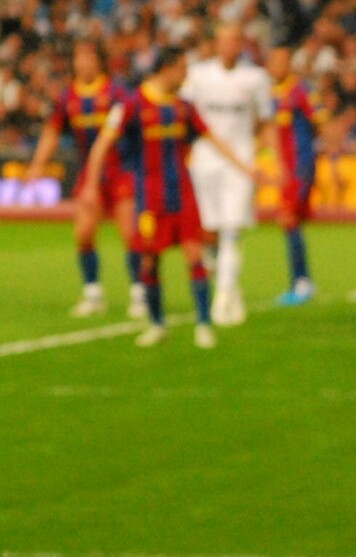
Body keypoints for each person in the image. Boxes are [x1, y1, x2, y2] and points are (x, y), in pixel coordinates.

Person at [81, 47, 261, 349]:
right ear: (167, 68)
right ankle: (157, 324)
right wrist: (90, 184)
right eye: (182, 68)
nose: (186, 75)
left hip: (184, 195)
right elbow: (103, 143)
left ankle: (203, 324)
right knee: (149, 261)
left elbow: (213, 139)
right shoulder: (133, 104)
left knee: (194, 255)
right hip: (150, 199)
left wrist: (246, 168)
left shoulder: (183, 107)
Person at [24, 40, 145, 319]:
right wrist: (38, 165)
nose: (83, 63)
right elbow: (52, 131)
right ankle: (92, 294)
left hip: (120, 172)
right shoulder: (68, 97)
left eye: (88, 57)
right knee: (84, 234)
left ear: (99, 61)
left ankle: (140, 293)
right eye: (79, 58)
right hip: (88, 175)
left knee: (130, 234)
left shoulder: (116, 93)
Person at [182, 22, 281, 326]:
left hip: (241, 162)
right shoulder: (198, 75)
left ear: (242, 44)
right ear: (215, 43)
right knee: (209, 230)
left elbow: (266, 121)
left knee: (232, 229)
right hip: (204, 160)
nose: (229, 46)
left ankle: (224, 295)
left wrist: (272, 160)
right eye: (223, 40)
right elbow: (183, 115)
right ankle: (225, 278)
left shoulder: (255, 78)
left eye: (235, 40)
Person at [265, 45, 323, 306]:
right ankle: (300, 281)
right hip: (284, 168)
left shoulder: (301, 90)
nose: (275, 67)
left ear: (289, 65)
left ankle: (301, 282)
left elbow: (319, 119)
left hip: (300, 166)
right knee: (290, 222)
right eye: (272, 62)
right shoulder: (269, 93)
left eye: (281, 62)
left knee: (289, 219)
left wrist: (311, 153)